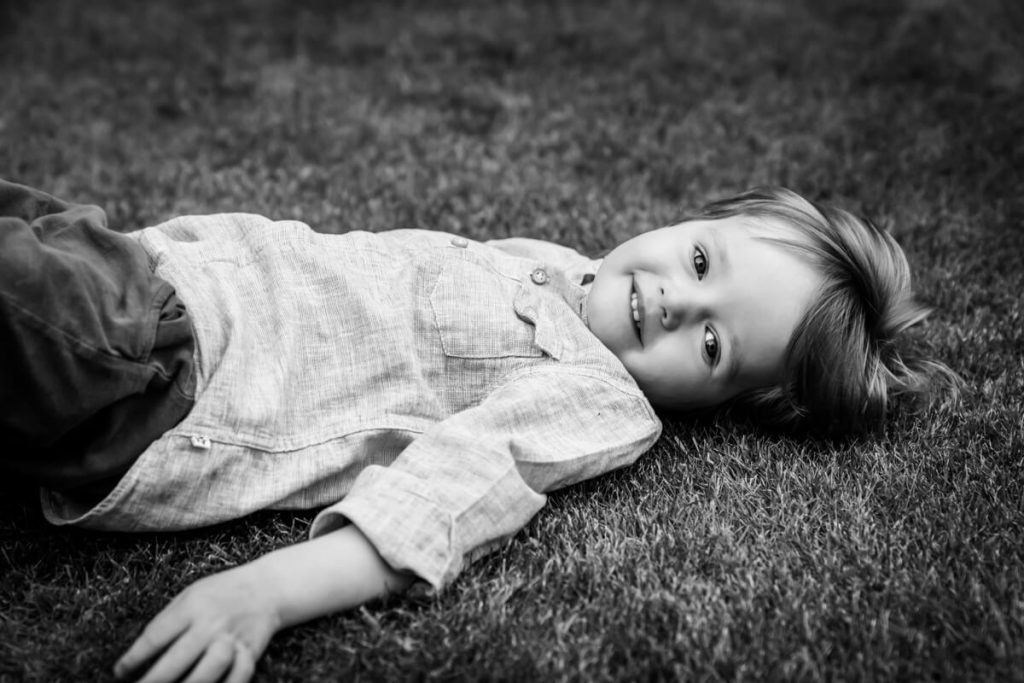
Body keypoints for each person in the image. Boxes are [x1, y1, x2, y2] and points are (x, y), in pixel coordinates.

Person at [0, 179, 951, 682]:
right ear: (694, 219)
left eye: (711, 342)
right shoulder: (571, 270)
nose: (671, 299)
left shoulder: (600, 399)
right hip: (152, 262)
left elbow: (456, 484)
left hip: (166, 370)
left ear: (723, 399)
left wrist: (268, 591)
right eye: (701, 259)